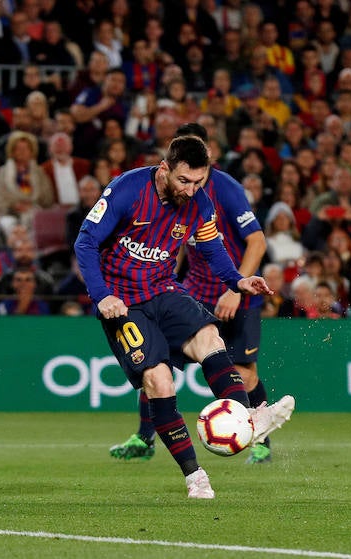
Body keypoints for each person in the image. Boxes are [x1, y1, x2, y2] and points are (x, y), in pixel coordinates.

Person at [73, 134, 295, 499]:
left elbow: (213, 250)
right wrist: (102, 295)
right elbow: (85, 242)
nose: (192, 190)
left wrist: (238, 281)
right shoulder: (127, 190)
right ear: (164, 169)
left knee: (211, 338)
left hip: (163, 289)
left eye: (199, 182)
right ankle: (195, 476)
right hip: (124, 302)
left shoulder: (201, 205)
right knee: (159, 382)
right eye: (184, 181)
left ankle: (249, 417)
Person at [109, 122, 278, 466]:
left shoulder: (224, 189)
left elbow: (257, 241)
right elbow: (174, 241)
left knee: (243, 373)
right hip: (195, 291)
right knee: (157, 367)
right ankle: (145, 438)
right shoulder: (167, 190)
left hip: (233, 290)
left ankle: (259, 437)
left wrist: (236, 288)